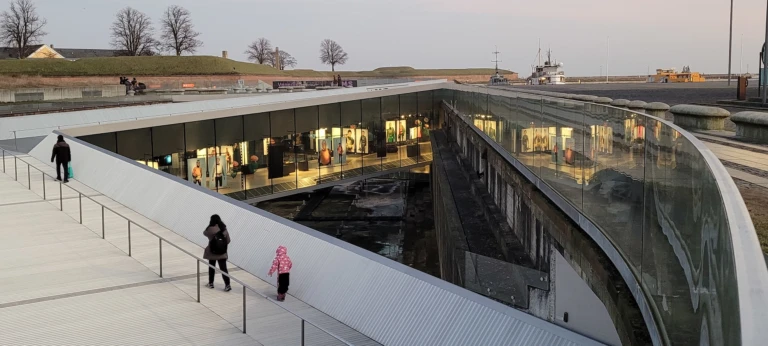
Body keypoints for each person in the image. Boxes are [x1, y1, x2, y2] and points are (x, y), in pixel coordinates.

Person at [204, 214, 232, 291]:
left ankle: (211, 283)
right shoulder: (224, 229)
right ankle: (227, 285)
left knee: (211, 267)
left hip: (212, 252)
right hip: (222, 253)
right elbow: (228, 240)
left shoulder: (210, 229)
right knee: (224, 269)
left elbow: (204, 233)